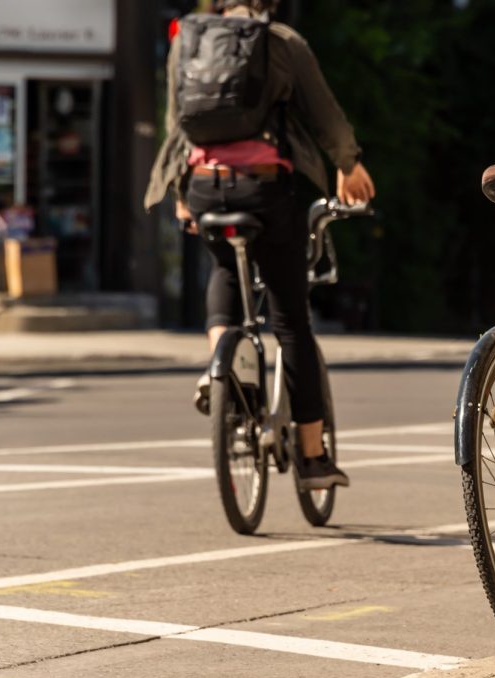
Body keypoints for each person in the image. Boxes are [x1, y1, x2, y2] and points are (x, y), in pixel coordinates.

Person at [144, 0, 375, 489]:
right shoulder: (282, 41)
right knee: (291, 319)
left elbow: (176, 121)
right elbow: (326, 116)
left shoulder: (187, 39)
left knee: (224, 270)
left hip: (204, 183)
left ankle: (221, 366)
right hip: (264, 188)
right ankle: (313, 458)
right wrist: (348, 165)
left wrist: (182, 193)